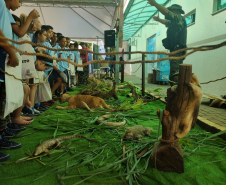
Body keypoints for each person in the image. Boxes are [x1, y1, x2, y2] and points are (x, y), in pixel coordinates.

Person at [148, 0, 187, 86]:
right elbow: (166, 22)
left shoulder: (178, 18)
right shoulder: (175, 22)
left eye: (171, 11)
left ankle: (176, 94)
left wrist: (154, 3)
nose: (169, 13)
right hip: (175, 50)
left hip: (178, 50)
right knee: (174, 72)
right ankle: (175, 93)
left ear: (176, 11)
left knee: (175, 74)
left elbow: (166, 12)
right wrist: (158, 20)